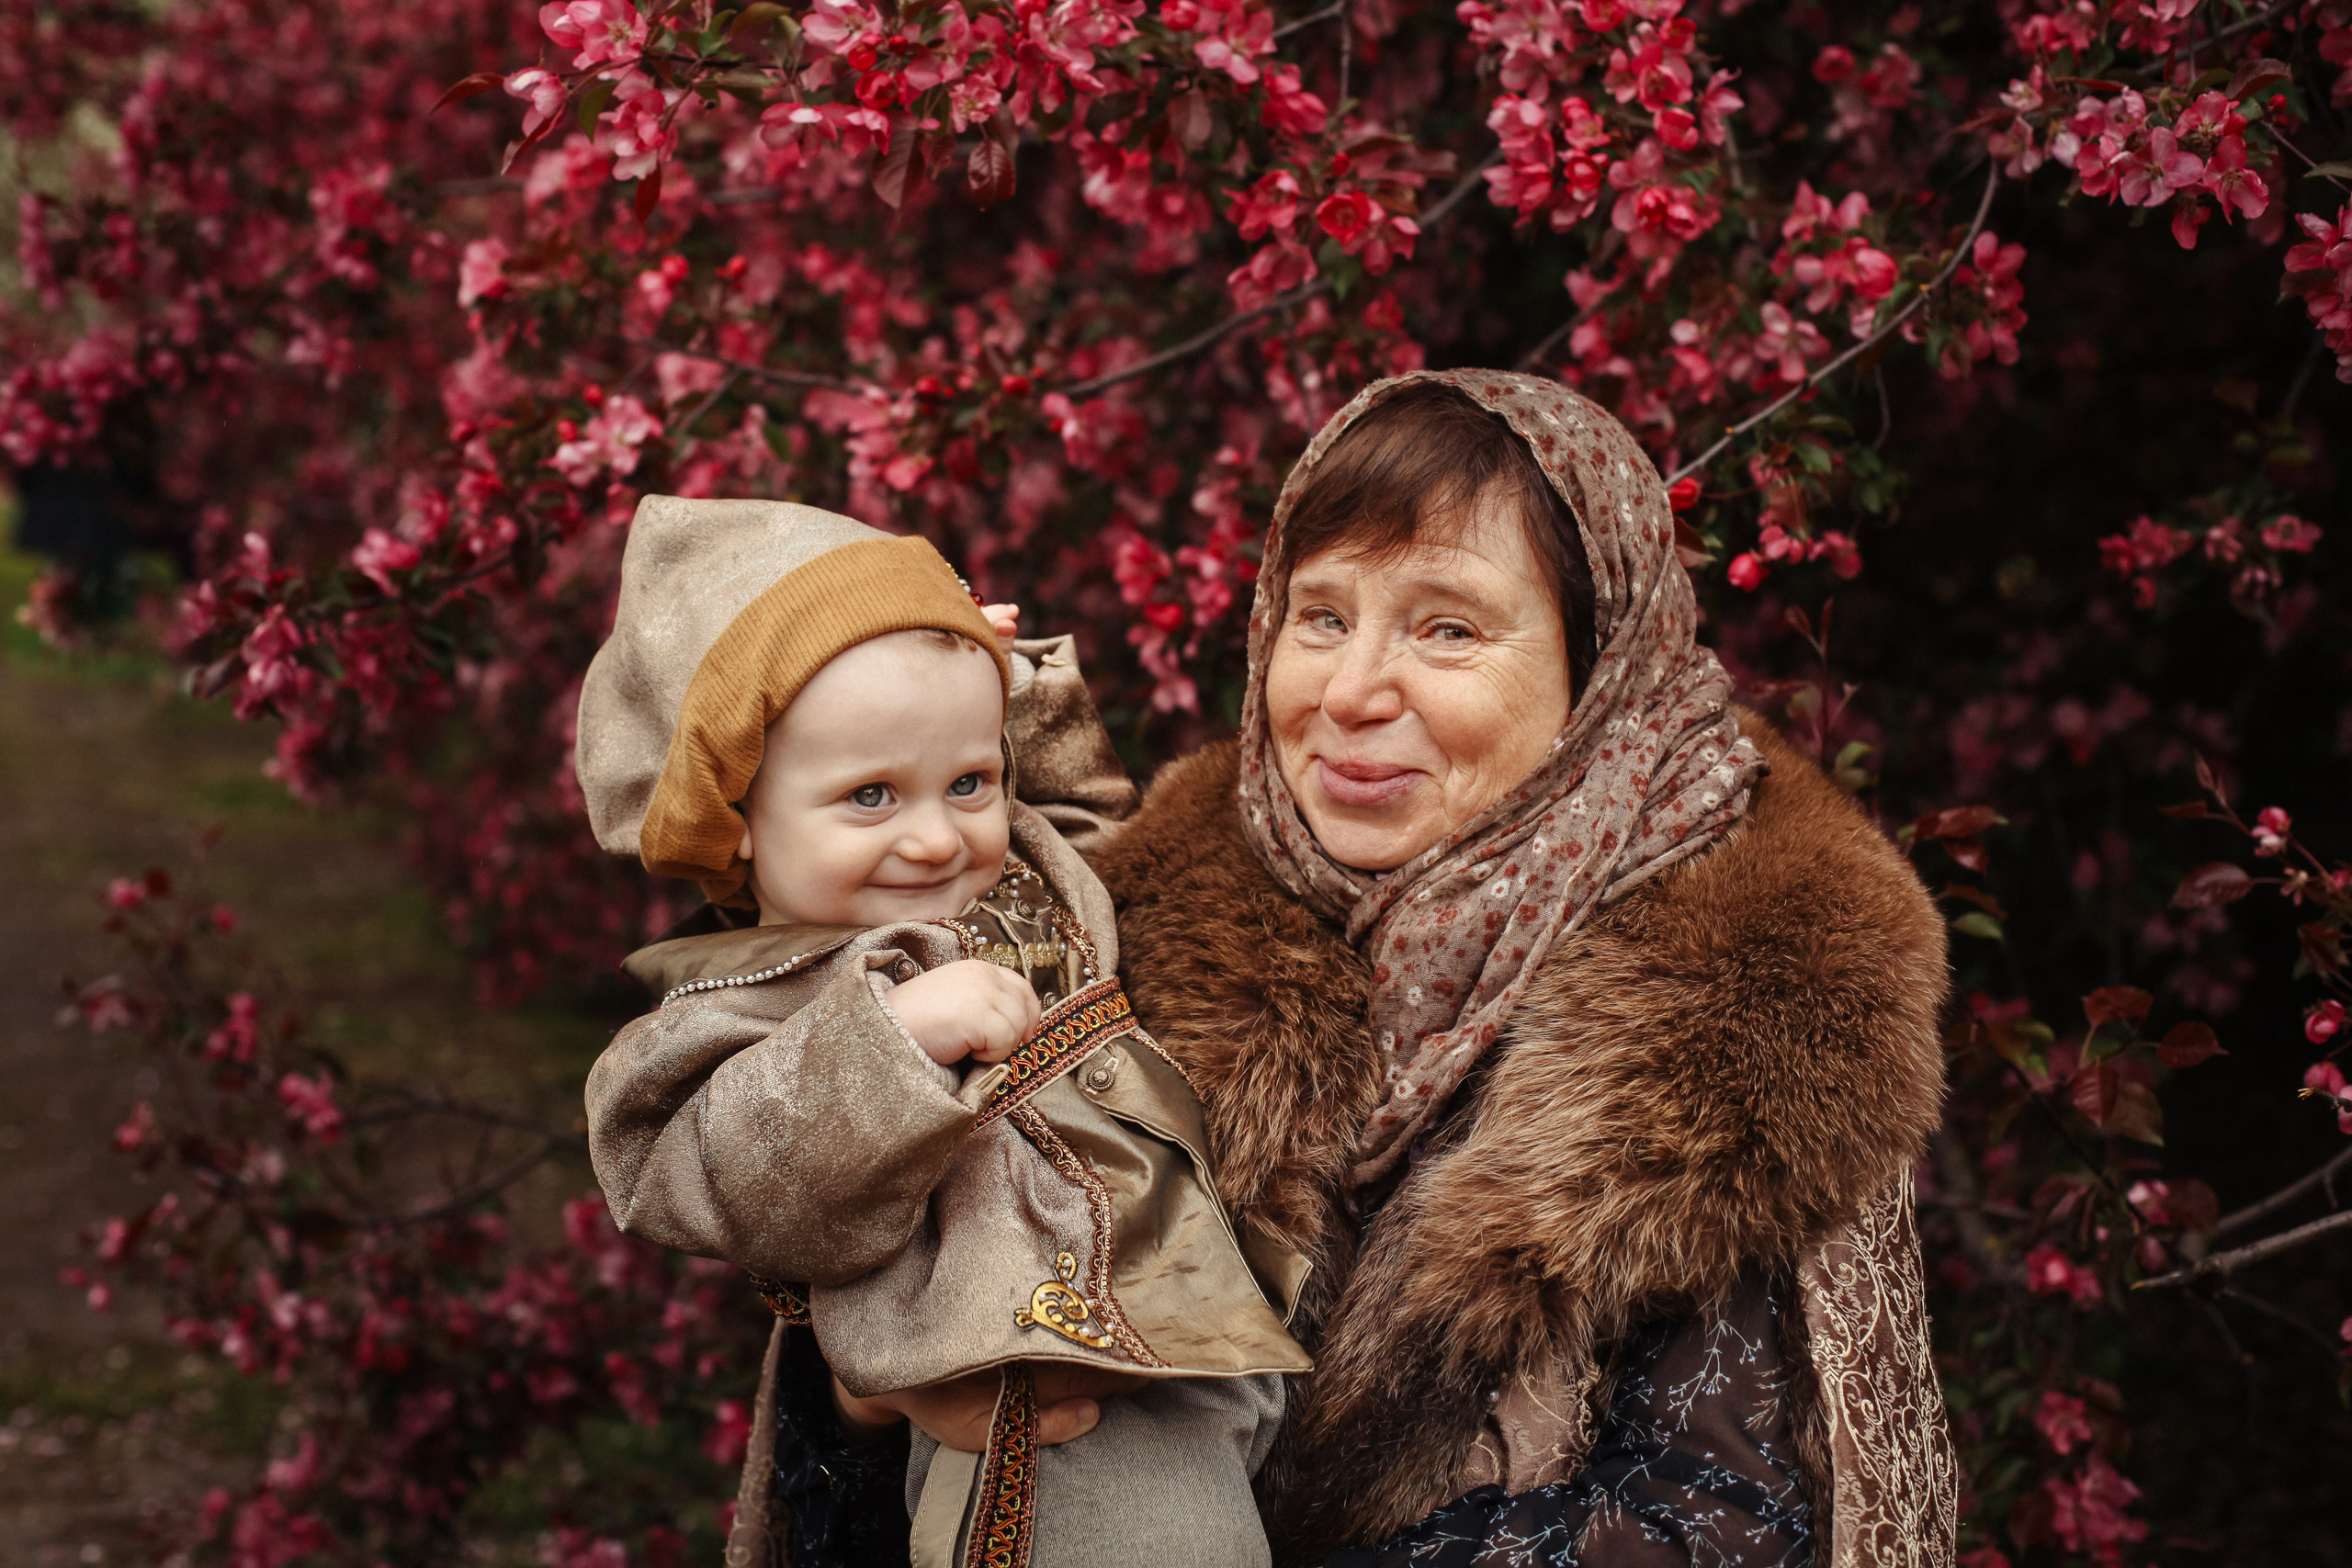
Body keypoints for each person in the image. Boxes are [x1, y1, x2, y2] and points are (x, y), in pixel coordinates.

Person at [766, 371, 1958, 1568]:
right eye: (1321, 615)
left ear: (1604, 666)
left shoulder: (1761, 1001)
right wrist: (883, 1389)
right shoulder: (1121, 937)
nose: (1349, 690)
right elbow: (875, 1484)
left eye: (1448, 628)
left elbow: (1725, 1526)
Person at [571, 498, 1310, 1568]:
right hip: (1031, 1385)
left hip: (1191, 1334)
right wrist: (893, 1043)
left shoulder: (1023, 869)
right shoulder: (761, 992)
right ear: (736, 819)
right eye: (870, 794)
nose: (934, 837)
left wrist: (1009, 683)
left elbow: (1089, 812)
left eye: (968, 780)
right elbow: (689, 1166)